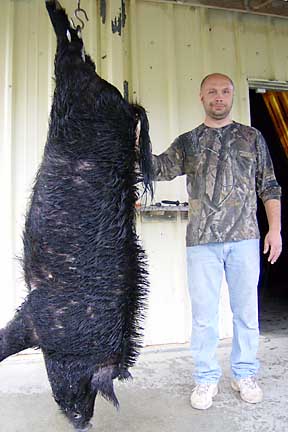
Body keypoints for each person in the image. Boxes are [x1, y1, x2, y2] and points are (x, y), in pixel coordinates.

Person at [139, 73, 282, 410]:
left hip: (245, 239)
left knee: (246, 313)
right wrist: (135, 141)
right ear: (201, 97)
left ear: (232, 96)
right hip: (201, 242)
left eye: (225, 91)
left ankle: (244, 373)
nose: (219, 97)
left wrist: (274, 229)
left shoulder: (252, 138)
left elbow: (270, 186)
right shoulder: (189, 142)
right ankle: (205, 379)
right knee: (203, 316)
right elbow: (157, 169)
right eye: (212, 92)